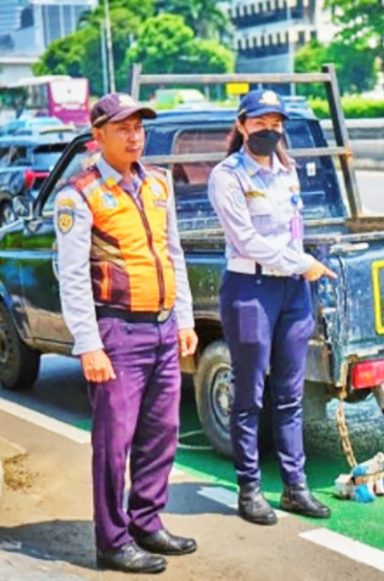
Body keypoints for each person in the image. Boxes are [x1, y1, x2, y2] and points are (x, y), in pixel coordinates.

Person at [54, 93, 199, 574]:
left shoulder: (157, 182)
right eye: (123, 128)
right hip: (117, 332)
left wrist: (184, 319)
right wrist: (89, 344)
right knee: (113, 443)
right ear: (98, 136)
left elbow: (173, 253)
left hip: (162, 328)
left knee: (162, 434)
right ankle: (112, 541)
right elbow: (73, 275)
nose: (135, 136)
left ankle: (146, 522)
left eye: (139, 127)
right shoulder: (80, 194)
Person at [207, 89, 336, 525]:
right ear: (241, 125)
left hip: (293, 291)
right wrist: (303, 264)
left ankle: (295, 488)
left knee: (290, 394)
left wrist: (300, 267)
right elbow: (246, 240)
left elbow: (293, 230)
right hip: (251, 289)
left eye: (275, 124)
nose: (268, 131)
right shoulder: (227, 176)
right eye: (259, 123)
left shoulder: (287, 170)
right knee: (249, 394)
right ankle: (250, 490)